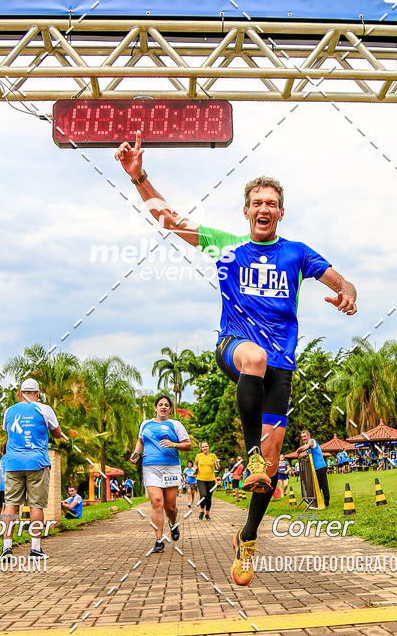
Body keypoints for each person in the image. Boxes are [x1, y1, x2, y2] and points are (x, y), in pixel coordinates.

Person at [115, 134, 356, 586]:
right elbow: (169, 219)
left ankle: (246, 538)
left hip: (282, 365)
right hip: (236, 345)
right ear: (245, 211)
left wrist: (347, 295)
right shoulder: (227, 246)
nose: (263, 208)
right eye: (256, 202)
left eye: (271, 203)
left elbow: (342, 281)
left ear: (281, 212)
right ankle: (249, 456)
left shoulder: (297, 253)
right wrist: (140, 178)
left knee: (270, 465)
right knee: (255, 359)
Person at [2, 377, 68, 559]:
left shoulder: (9, 411)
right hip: (37, 463)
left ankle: (6, 549)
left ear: (19, 393)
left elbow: (8, 432)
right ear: (38, 394)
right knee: (36, 505)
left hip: (13, 463)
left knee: (10, 505)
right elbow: (56, 432)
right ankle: (35, 549)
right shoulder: (44, 409)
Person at [130, 394, 191, 553]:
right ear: (155, 408)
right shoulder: (145, 424)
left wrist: (173, 444)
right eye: (160, 405)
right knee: (157, 502)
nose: (163, 407)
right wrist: (136, 454)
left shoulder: (175, 424)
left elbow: (188, 445)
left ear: (170, 409)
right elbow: (141, 441)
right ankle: (159, 539)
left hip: (171, 467)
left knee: (170, 506)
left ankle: (173, 523)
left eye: (166, 405)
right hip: (150, 467)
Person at [297, 429, 330, 508]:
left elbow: (306, 446)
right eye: (302, 437)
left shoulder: (312, 441)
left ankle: (326, 502)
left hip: (320, 466)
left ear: (308, 436)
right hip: (314, 469)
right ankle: (316, 501)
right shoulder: (307, 446)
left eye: (305, 436)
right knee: (315, 486)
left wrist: (298, 450)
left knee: (323, 485)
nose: (304, 438)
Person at [194, 441, 220, 521]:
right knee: (203, 494)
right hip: (200, 479)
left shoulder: (213, 456)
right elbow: (195, 464)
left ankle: (207, 513)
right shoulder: (198, 456)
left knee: (209, 497)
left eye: (206, 446)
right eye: (203, 447)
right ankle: (202, 510)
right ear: (201, 448)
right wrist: (195, 469)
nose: (205, 448)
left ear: (208, 447)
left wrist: (217, 465)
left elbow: (217, 467)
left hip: (211, 479)